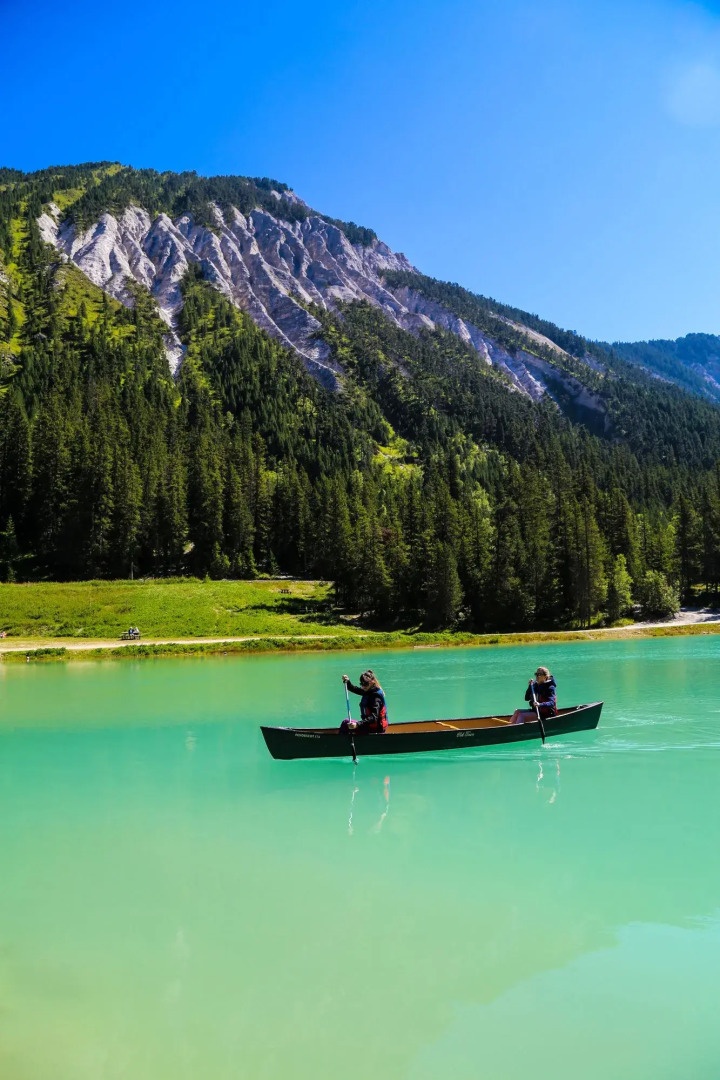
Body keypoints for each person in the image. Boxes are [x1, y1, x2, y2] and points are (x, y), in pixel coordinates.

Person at [340, 670, 389, 735]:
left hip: (375, 730)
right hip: (369, 727)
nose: (363, 686)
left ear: (372, 682)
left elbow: (374, 717)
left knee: (345, 723)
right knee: (346, 723)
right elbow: (355, 689)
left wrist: (357, 724)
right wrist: (347, 682)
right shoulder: (369, 690)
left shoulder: (375, 697)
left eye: (365, 684)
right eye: (361, 684)